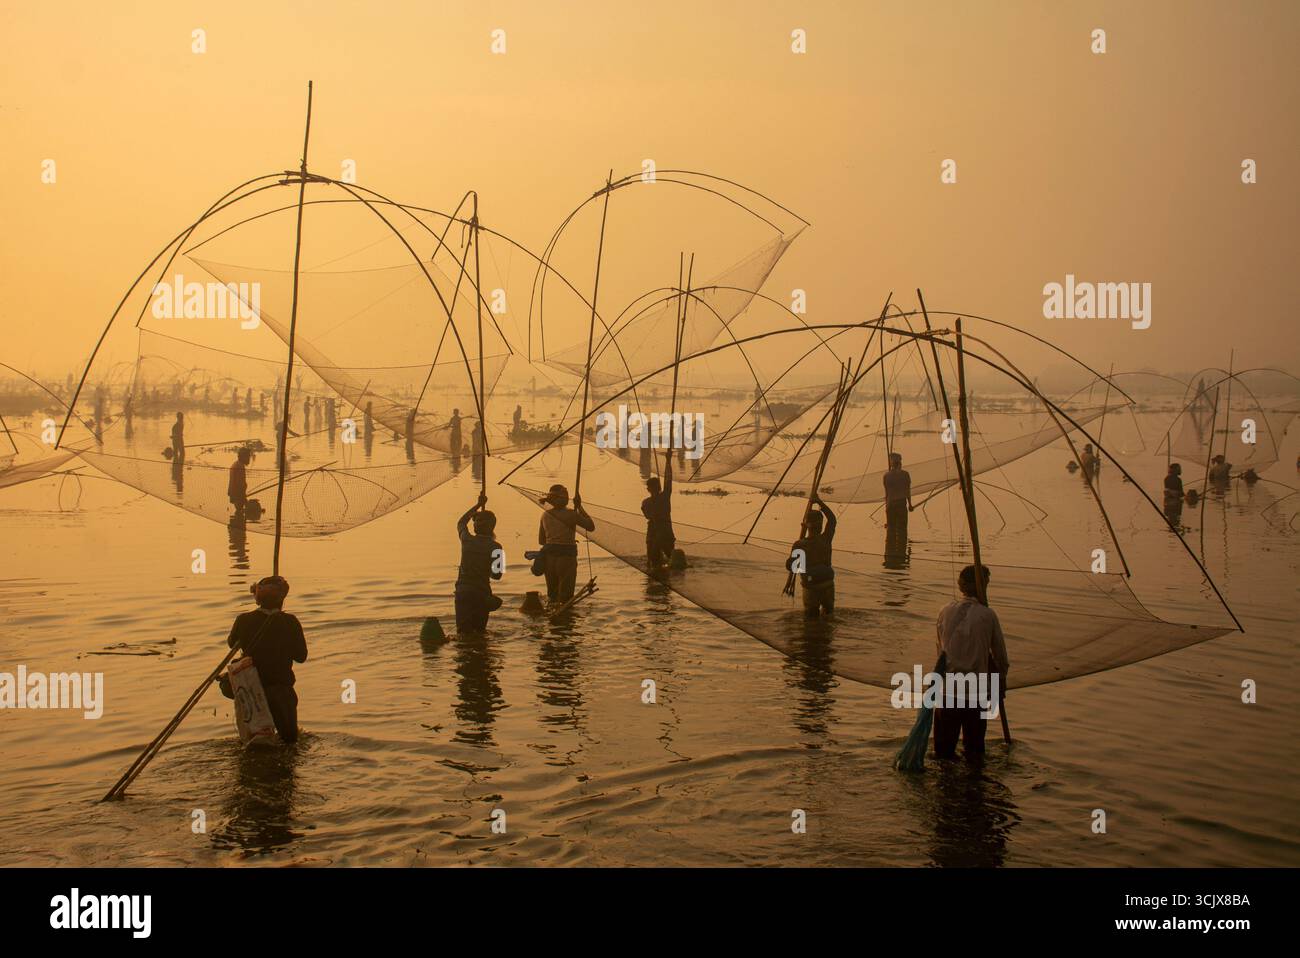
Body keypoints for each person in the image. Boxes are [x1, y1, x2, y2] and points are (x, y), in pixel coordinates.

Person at [933, 564, 1009, 761]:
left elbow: (940, 652)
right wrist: (1000, 680)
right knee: (974, 752)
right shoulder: (988, 615)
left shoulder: (945, 611)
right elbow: (1001, 657)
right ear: (982, 587)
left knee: (943, 754)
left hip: (948, 690)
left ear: (961, 586)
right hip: (975, 694)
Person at [227, 576, 307, 744]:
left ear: (257, 598)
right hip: (281, 691)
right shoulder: (290, 622)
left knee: (255, 745)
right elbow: (301, 656)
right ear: (282, 598)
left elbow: (231, 643)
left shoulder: (244, 620)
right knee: (290, 744)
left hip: (252, 692)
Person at [537, 483, 595, 603]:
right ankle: (565, 620)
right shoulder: (571, 514)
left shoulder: (545, 515)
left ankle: (552, 618)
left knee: (552, 596)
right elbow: (590, 526)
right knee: (566, 598)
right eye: (565, 496)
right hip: (566, 559)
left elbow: (541, 541)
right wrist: (579, 507)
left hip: (549, 559)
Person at [454, 494, 504, 633]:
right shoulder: (496, 547)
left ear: (475, 526)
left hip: (463, 592)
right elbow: (497, 576)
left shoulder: (466, 540)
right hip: (482, 593)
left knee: (463, 633)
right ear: (492, 527)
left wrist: (477, 505)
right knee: (479, 633)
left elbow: (461, 522)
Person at [786, 496, 836, 617]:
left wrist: (792, 560)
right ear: (820, 526)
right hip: (827, 583)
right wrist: (819, 502)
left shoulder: (801, 544)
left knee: (811, 619)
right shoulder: (826, 539)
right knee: (828, 616)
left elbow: (793, 568)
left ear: (806, 525)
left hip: (812, 586)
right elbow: (832, 520)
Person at [641, 464, 675, 569]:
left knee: (658, 561)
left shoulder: (663, 497)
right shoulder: (658, 499)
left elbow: (668, 480)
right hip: (657, 532)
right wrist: (668, 461)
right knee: (654, 561)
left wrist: (668, 462)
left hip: (663, 533)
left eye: (650, 487)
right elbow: (648, 515)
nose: (650, 489)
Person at [883, 452, 912, 531]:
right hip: (901, 504)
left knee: (891, 530)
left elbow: (887, 494)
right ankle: (902, 543)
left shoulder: (886, 476)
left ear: (891, 463)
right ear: (900, 462)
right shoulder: (905, 474)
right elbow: (907, 491)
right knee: (902, 530)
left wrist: (887, 508)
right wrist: (910, 505)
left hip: (891, 505)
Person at [228, 447, 251, 515]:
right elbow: (239, 484)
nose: (249, 458)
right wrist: (244, 498)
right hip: (238, 495)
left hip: (235, 494)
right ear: (243, 456)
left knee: (238, 512)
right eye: (248, 456)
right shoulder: (239, 466)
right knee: (239, 512)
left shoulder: (236, 464)